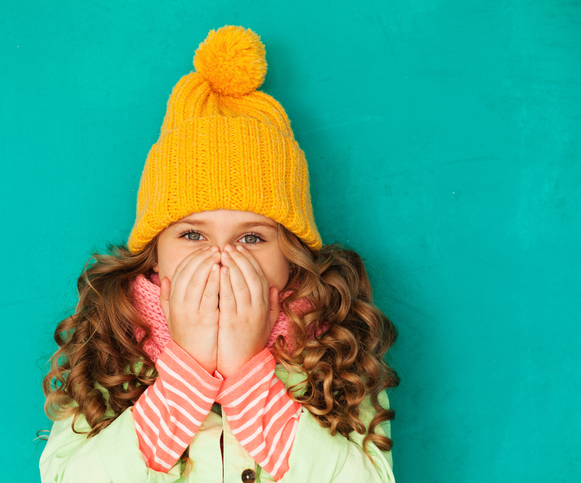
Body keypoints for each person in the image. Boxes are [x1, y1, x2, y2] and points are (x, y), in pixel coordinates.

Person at [40, 25, 399, 483]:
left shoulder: (334, 349)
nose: (222, 258)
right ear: (154, 256)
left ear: (291, 258)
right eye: (192, 235)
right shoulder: (110, 346)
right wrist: (184, 373)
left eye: (252, 238)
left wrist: (248, 373)